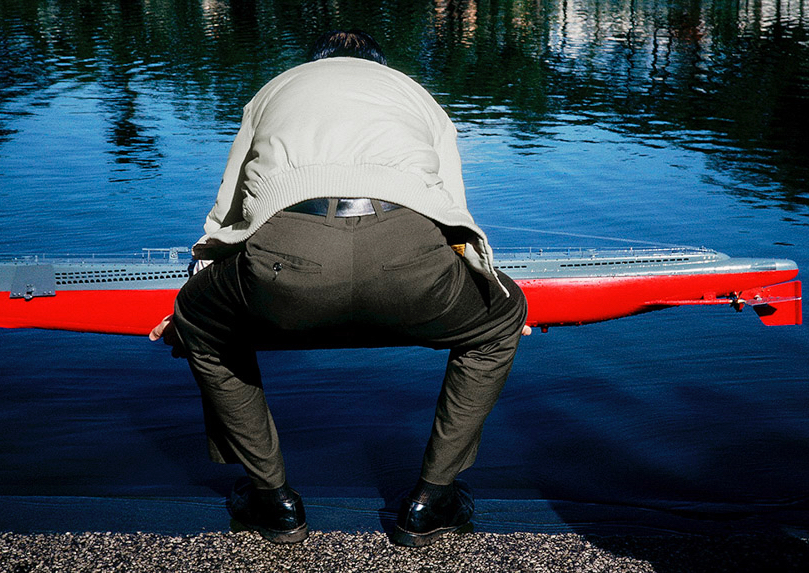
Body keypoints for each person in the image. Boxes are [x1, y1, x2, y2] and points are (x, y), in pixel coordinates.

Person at [150, 30, 530, 547]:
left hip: (287, 253)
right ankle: (432, 499)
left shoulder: (275, 89)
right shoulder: (416, 93)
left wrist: (197, 295)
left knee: (200, 323)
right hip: (407, 247)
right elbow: (452, 212)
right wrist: (487, 292)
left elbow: (230, 208)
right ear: (380, 65)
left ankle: (272, 499)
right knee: (502, 322)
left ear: (314, 64)